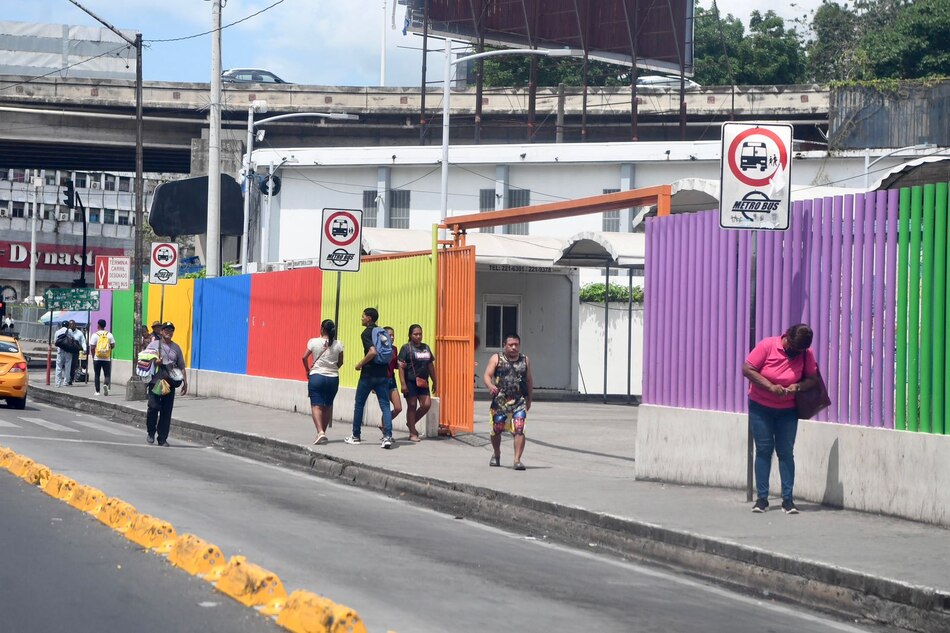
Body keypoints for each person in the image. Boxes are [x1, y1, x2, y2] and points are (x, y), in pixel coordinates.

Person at [742, 323, 818, 515]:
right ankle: (762, 499)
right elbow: (748, 369)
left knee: (786, 452)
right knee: (764, 450)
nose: (796, 353)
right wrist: (770, 387)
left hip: (788, 410)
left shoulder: (806, 353)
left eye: (801, 351)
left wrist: (797, 387)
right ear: (787, 338)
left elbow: (812, 379)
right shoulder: (768, 346)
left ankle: (788, 500)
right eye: (794, 349)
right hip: (761, 407)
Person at [483, 333, 533, 470]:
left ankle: (517, 460)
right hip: (500, 401)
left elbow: (529, 380)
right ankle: (496, 453)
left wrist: (529, 399)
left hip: (519, 401)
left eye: (516, 344)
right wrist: (490, 386)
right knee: (497, 429)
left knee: (519, 428)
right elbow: (487, 375)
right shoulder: (497, 358)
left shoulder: (525, 360)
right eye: (510, 345)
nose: (514, 347)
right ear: (505, 345)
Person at [345, 307, 394, 449]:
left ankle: (356, 436)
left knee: (359, 404)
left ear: (369, 318)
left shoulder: (366, 333)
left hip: (368, 375)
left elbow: (372, 352)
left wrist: (359, 364)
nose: (361, 318)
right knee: (385, 405)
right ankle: (387, 437)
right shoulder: (382, 332)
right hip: (382, 374)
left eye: (363, 316)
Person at [144, 322, 188, 447]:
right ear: (161, 332)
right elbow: (144, 361)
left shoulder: (176, 348)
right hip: (156, 382)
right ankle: (151, 432)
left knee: (166, 411)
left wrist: (185, 382)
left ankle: (162, 438)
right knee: (153, 407)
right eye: (166, 330)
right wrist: (155, 362)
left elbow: (182, 367)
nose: (169, 332)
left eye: (171, 330)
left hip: (169, 383)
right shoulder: (153, 345)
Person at [302, 319, 344, 445]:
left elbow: (304, 357)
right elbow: (341, 362)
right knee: (327, 406)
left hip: (317, 376)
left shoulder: (313, 342)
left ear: (322, 329)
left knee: (316, 405)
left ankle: (320, 432)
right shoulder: (339, 344)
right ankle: (322, 433)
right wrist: (332, 368)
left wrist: (307, 370)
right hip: (333, 378)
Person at [398, 324, 436, 442]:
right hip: (410, 381)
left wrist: (435, 381)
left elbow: (430, 365)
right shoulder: (406, 348)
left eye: (420, 334)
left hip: (423, 381)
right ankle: (412, 433)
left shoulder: (426, 347)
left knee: (426, 405)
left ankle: (411, 423)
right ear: (410, 335)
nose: (418, 336)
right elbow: (401, 367)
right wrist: (403, 383)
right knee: (412, 405)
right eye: (416, 334)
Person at [380, 326, 403, 438]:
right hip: (381, 380)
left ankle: (384, 424)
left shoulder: (394, 349)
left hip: (391, 380)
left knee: (398, 408)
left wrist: (401, 365)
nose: (392, 337)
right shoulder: (378, 348)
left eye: (393, 335)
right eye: (390, 335)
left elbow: (394, 365)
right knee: (386, 407)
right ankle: (386, 432)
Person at [89, 319, 116, 397]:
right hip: (106, 358)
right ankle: (105, 385)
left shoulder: (95, 335)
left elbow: (92, 347)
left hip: (97, 358)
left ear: (98, 325)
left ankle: (97, 391)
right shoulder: (109, 334)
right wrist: (108, 350)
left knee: (97, 374)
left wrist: (94, 356)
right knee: (107, 374)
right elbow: (113, 345)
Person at [53, 320, 73, 387]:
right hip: (68, 351)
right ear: (68, 325)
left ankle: (57, 383)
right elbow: (73, 339)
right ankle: (65, 382)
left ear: (61, 325)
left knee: (58, 367)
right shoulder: (69, 331)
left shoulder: (57, 332)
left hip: (60, 351)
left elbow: (55, 342)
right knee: (67, 367)